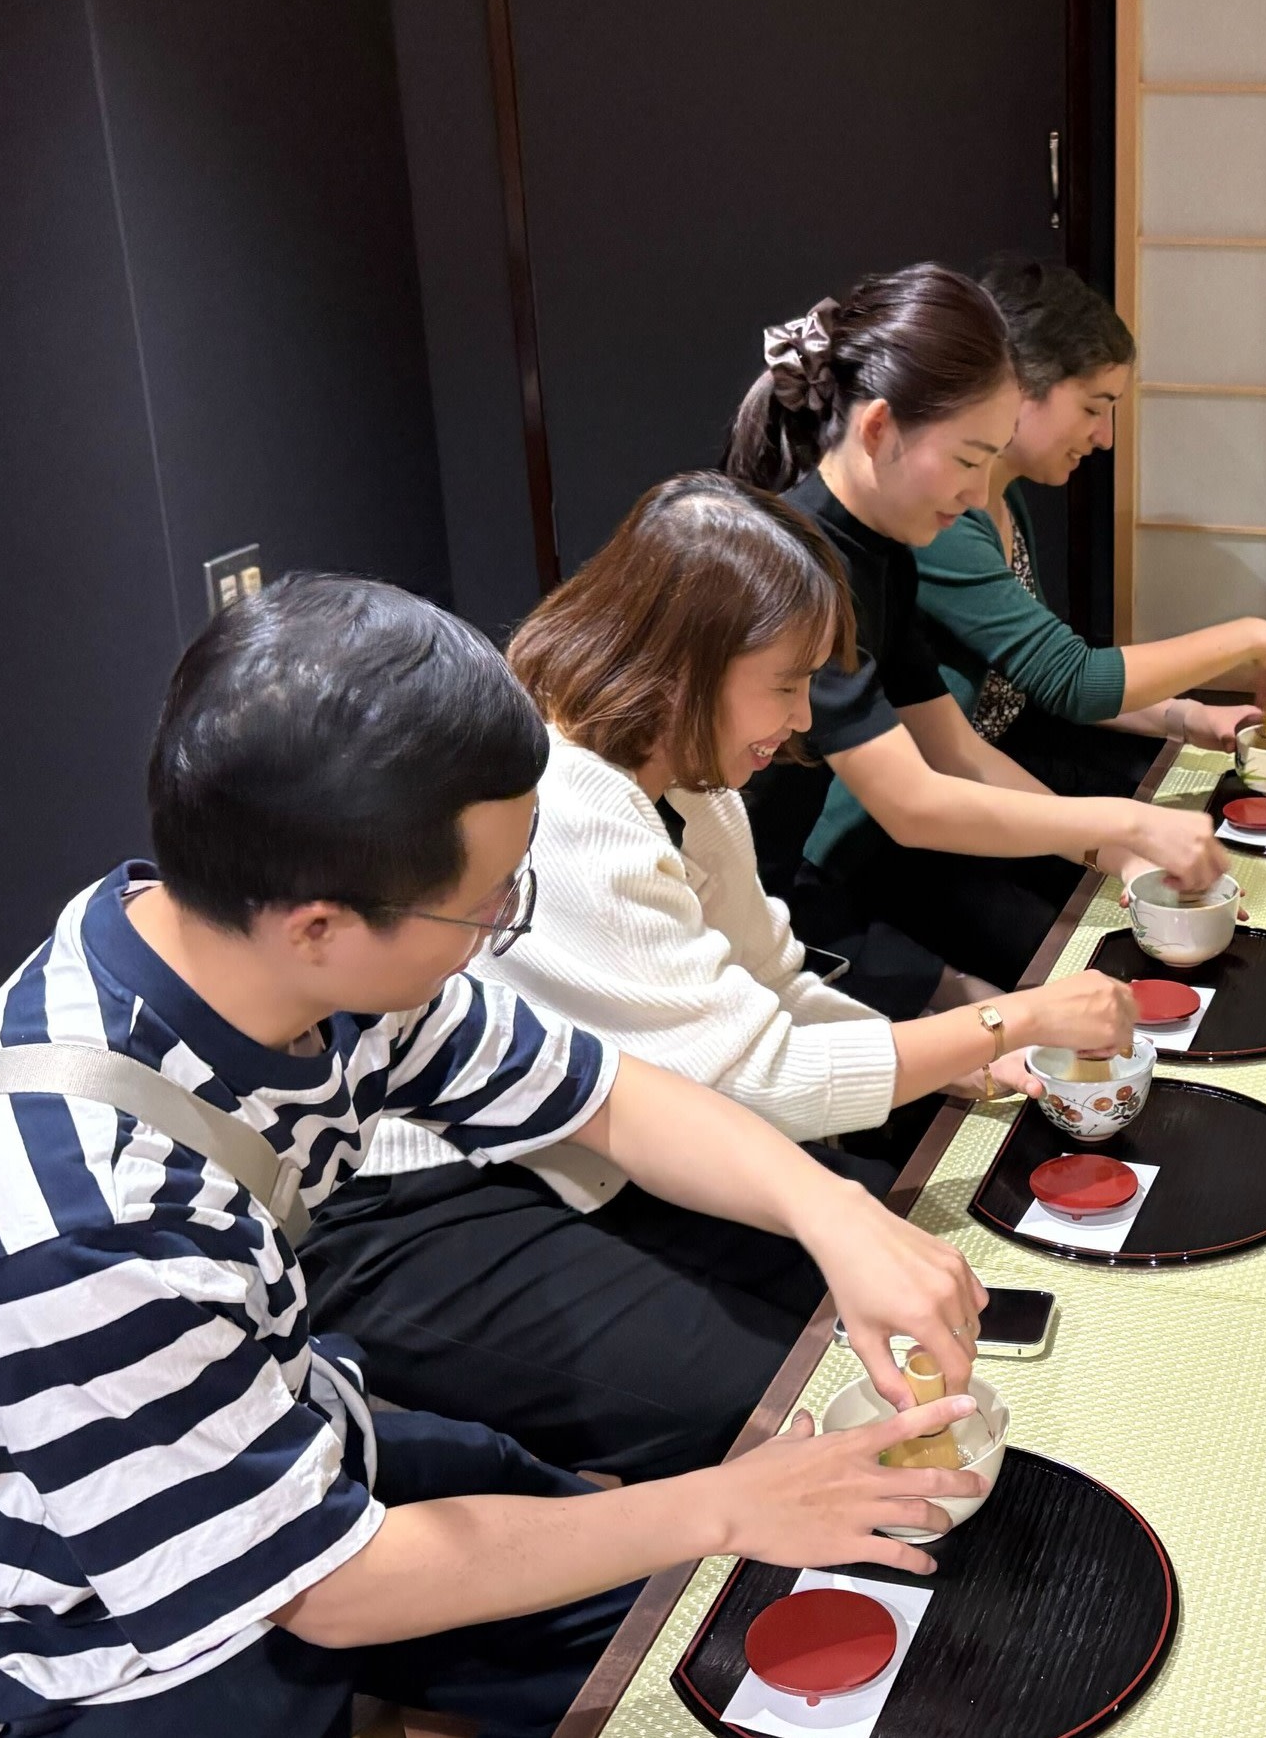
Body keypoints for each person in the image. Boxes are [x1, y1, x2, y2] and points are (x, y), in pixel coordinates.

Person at [0, 576, 990, 1738]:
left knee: (669, 1612)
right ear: (317, 924)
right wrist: (730, 1508)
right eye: (486, 907)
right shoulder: (78, 1219)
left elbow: (604, 1095)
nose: (501, 930)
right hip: (65, 1648)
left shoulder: (276, 959)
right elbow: (328, 1589)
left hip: (279, 1424)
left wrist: (837, 1217)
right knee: (687, 1565)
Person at [307, 477, 1135, 1480]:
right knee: (774, 1403)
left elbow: (768, 994)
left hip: (585, 1133)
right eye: (786, 685)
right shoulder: (568, 806)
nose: (802, 721)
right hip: (427, 1197)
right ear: (684, 664)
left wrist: (961, 1065)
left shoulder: (693, 788)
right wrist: (998, 1026)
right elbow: (761, 1080)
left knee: (900, 1253)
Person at [728, 262, 1225, 1006]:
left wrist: (1111, 847)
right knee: (1009, 1015)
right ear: (878, 428)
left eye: (990, 461)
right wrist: (1123, 822)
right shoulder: (803, 566)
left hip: (790, 887)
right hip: (756, 905)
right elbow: (911, 801)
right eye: (967, 459)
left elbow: (953, 747)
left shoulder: (883, 553)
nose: (975, 492)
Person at [901, 254, 1266, 805]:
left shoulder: (1000, 499)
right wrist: (1251, 637)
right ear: (1019, 387)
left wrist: (1190, 718)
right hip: (912, 825)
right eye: (1094, 408)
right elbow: (1071, 679)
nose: (1105, 437)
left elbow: (1044, 668)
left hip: (1000, 767)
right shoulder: (943, 522)